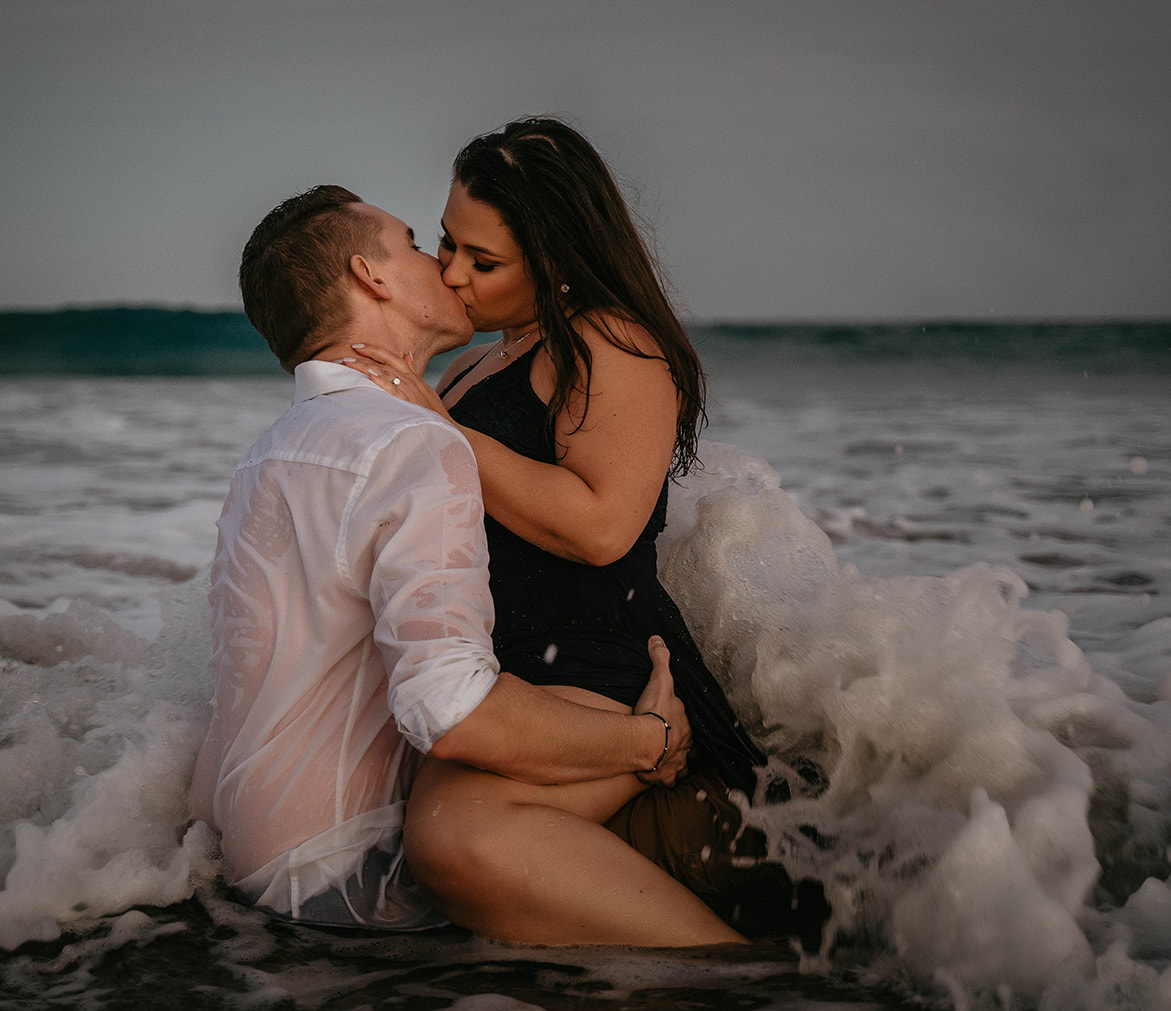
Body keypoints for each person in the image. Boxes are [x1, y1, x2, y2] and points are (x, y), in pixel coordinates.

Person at [187, 184, 746, 947]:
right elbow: (447, 708)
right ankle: (752, 978)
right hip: (351, 875)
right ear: (372, 277)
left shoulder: (273, 450)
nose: (444, 269)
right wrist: (647, 740)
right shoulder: (413, 440)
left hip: (249, 858)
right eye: (419, 243)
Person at [347, 118, 829, 946]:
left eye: (484, 261)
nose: (453, 274)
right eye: (446, 244)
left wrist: (439, 428)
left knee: (455, 844)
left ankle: (740, 978)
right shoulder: (480, 360)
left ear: (560, 261)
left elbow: (603, 527)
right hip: (509, 675)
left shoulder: (613, 343)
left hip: (595, 670)